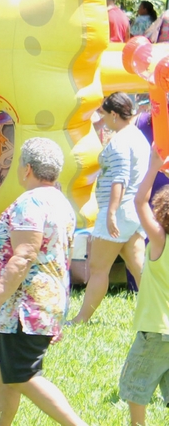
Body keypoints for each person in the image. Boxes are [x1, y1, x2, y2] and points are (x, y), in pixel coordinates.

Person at [0, 137, 85, 426]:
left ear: (27, 169)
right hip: (36, 304)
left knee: (22, 374)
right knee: (5, 374)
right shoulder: (60, 201)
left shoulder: (31, 201)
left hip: (23, 308)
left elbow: (25, 255)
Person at [70, 92, 149, 325]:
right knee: (139, 268)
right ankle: (158, 315)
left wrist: (112, 212)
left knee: (98, 269)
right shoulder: (138, 136)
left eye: (104, 115)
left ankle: (80, 320)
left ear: (114, 114)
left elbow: (120, 178)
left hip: (119, 211)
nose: (102, 120)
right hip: (133, 211)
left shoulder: (120, 141)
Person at [121, 157, 169, 425]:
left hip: (157, 330)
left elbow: (140, 202)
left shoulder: (160, 241)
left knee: (135, 388)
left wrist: (153, 167)